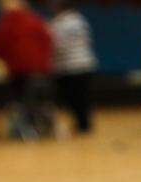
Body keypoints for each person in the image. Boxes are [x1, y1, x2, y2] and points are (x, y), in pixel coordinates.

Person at [0, 0, 53, 138]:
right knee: (38, 98)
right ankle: (39, 124)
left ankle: (19, 127)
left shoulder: (6, 22)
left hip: (19, 70)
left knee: (17, 98)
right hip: (42, 70)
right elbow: (48, 40)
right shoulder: (36, 19)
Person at [50, 0, 97, 134]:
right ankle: (83, 125)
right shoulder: (80, 20)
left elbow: (57, 45)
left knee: (74, 99)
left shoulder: (60, 23)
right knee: (82, 99)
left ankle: (82, 127)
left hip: (69, 67)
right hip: (85, 64)